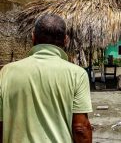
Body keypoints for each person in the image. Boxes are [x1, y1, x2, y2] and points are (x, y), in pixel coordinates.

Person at [0, 14, 93, 143]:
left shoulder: (6, 72)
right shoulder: (77, 74)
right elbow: (80, 128)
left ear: (33, 37)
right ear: (65, 40)